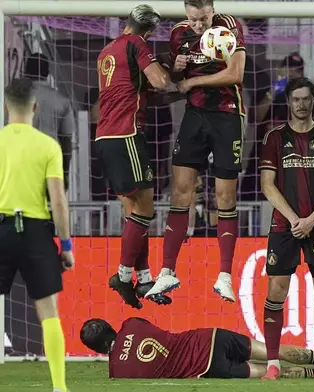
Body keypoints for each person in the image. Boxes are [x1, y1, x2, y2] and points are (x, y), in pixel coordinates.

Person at [147, 0, 247, 302]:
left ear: (212, 10)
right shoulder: (179, 34)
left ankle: (225, 276)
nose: (198, 26)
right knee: (180, 193)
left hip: (228, 116)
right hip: (195, 117)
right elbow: (177, 82)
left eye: (203, 19)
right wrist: (178, 71)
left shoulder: (229, 25)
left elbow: (236, 74)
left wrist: (194, 81)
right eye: (193, 19)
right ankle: (166, 272)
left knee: (224, 198)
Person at [259, 77, 314, 380]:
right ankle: (272, 364)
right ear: (289, 102)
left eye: (306, 99)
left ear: (313, 100)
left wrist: (310, 220)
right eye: (296, 99)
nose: (301, 104)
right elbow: (267, 186)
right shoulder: (274, 138)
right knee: (276, 291)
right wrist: (295, 219)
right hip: (284, 226)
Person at [94, 4, 171, 309]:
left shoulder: (107, 50)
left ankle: (145, 278)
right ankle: (124, 276)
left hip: (104, 136)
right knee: (145, 211)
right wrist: (172, 72)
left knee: (134, 215)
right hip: (126, 134)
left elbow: (130, 88)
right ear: (149, 31)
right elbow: (160, 81)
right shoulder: (136, 44)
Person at [0, 78, 73, 392]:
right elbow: (58, 200)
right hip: (35, 231)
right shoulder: (48, 145)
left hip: (1, 227)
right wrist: (66, 244)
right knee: (48, 312)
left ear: (6, 107)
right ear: (35, 106)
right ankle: (59, 387)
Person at [80, 317, 314, 379]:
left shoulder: (117, 372)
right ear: (110, 327)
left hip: (206, 368)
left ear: (95, 349)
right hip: (209, 337)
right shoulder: (131, 324)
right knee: (269, 352)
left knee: (269, 372)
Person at [24, 54, 75, 190]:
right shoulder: (62, 101)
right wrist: (64, 173)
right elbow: (66, 141)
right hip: (50, 164)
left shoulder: (15, 99)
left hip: (22, 163)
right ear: (47, 73)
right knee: (51, 208)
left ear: (25, 71)